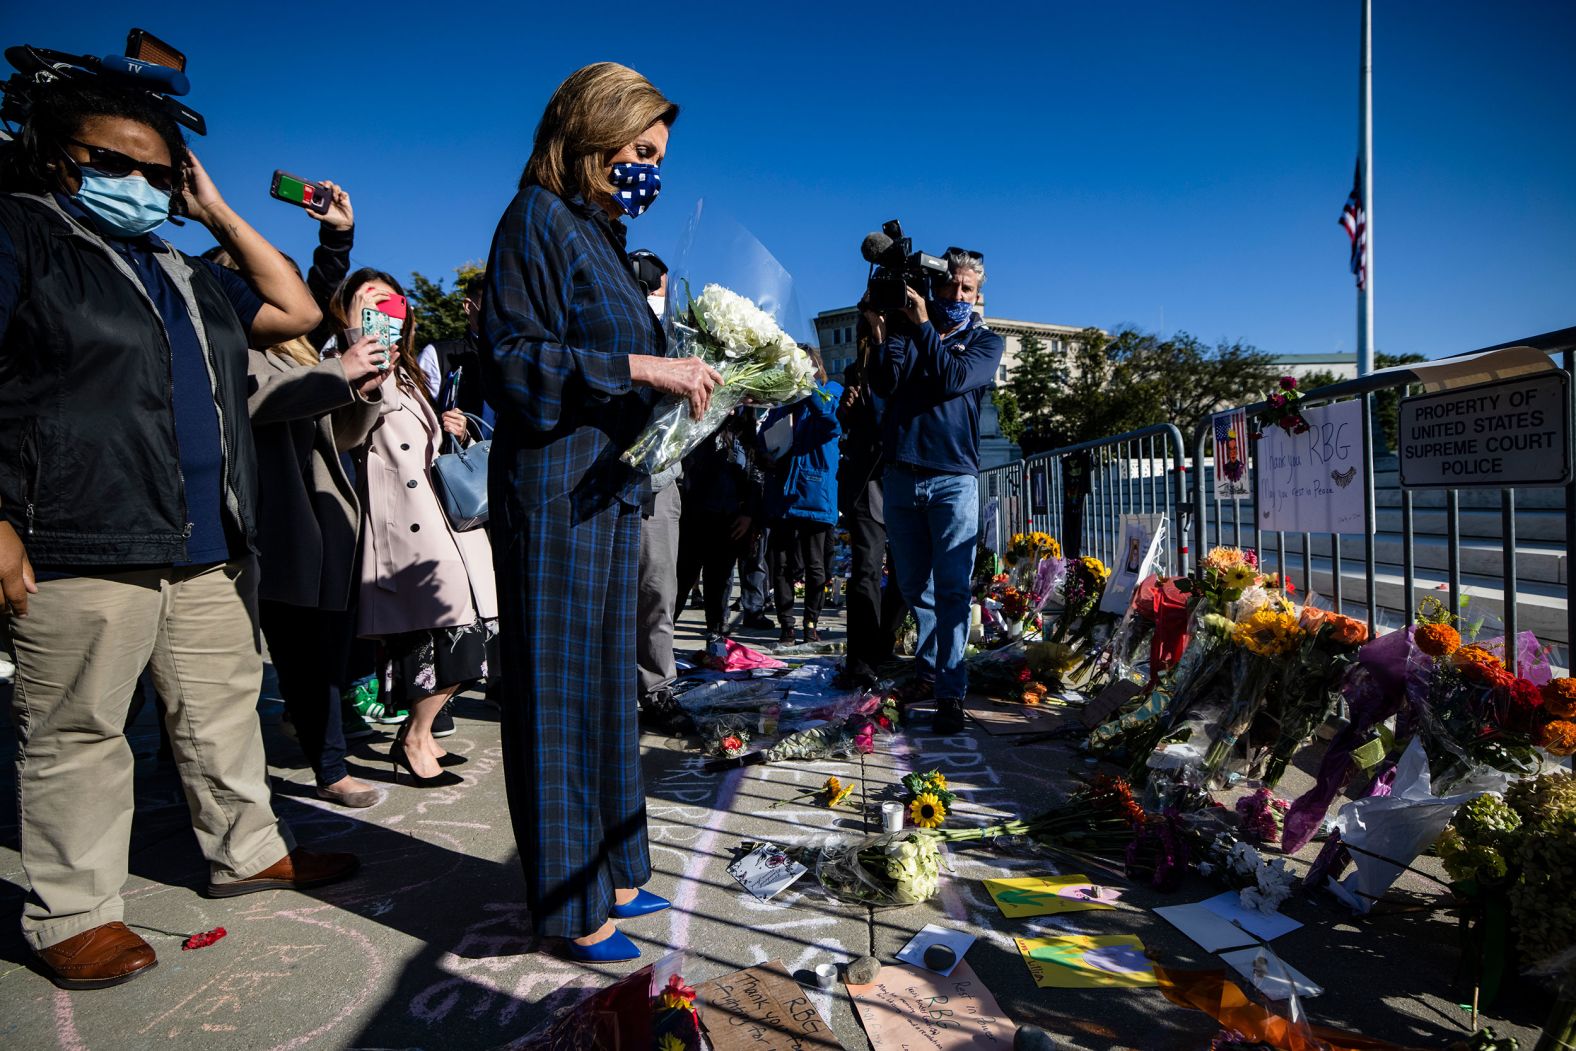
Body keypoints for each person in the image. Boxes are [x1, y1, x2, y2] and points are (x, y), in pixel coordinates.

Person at [0, 79, 358, 990]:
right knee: (78, 726)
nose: (136, 181)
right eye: (110, 163)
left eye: (156, 170)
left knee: (221, 709)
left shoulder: (181, 263)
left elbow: (299, 311)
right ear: (55, 156)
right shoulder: (23, 233)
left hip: (206, 536)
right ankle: (75, 913)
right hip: (83, 532)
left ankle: (247, 851)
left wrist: (214, 207)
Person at [481, 62, 719, 962]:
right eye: (643, 151)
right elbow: (512, 358)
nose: (651, 171)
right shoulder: (536, 220)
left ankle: (616, 864)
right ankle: (570, 905)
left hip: (611, 488)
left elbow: (633, 351)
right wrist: (641, 371)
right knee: (556, 696)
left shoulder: (601, 236)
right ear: (595, 134)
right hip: (556, 489)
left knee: (606, 693)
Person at [337, 269, 496, 787]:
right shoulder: (342, 361)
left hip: (439, 516)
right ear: (348, 308)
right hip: (402, 521)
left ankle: (420, 734)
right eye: (369, 300)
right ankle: (414, 738)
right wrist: (359, 367)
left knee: (473, 628)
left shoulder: (409, 370)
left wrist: (454, 426)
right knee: (444, 631)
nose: (383, 309)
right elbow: (346, 432)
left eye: (391, 301)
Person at [245, 290, 387, 808]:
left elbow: (340, 439)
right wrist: (337, 373)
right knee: (269, 660)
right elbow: (254, 402)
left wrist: (363, 389)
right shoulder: (231, 346)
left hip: (318, 524)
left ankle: (329, 765)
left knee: (316, 658)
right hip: (261, 521)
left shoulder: (296, 352)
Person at [864, 249, 1004, 734]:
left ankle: (950, 690)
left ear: (978, 295)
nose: (956, 295)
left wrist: (924, 323)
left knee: (951, 588)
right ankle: (927, 671)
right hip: (902, 475)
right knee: (912, 586)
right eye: (949, 286)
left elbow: (952, 378)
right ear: (935, 284)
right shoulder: (906, 331)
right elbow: (885, 382)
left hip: (953, 480)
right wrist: (880, 331)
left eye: (967, 289)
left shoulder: (986, 343)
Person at [631, 250, 684, 720]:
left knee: (656, 588)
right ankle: (605, 687)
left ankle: (657, 686)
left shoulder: (681, 331)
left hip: (658, 477)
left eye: (654, 276)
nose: (647, 282)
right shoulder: (609, 314)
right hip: (603, 472)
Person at [760, 349, 842, 645]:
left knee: (815, 564)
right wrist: (765, 452)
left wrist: (807, 387)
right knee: (780, 563)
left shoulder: (830, 390)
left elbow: (830, 420)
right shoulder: (783, 400)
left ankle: (811, 621)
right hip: (784, 492)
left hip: (814, 492)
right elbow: (766, 434)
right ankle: (787, 624)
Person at [836, 352, 907, 688]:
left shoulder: (909, 356)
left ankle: (883, 644)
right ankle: (860, 661)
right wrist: (846, 411)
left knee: (906, 575)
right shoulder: (855, 369)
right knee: (866, 569)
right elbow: (853, 427)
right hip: (867, 482)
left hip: (906, 475)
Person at [675, 410, 767, 638]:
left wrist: (748, 513)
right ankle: (660, 641)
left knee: (719, 583)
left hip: (729, 519)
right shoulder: (702, 424)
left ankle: (717, 638)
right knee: (681, 580)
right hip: (694, 515)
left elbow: (755, 472)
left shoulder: (745, 431)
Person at [417, 270, 492, 421]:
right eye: (490, 301)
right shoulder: (437, 355)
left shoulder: (523, 356)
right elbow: (419, 418)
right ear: (468, 306)